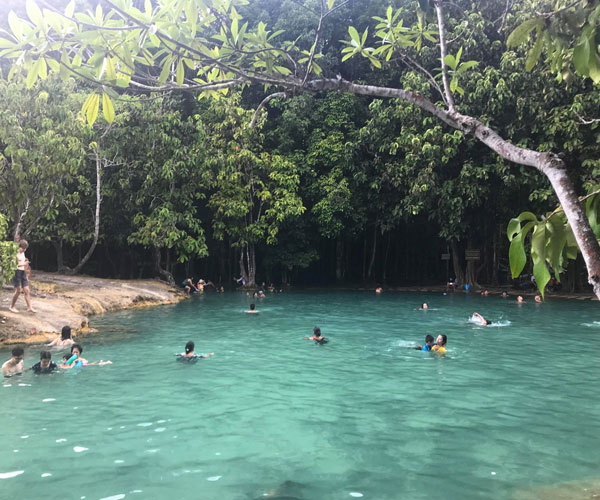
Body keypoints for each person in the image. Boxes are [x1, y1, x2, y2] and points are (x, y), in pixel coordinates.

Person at [9, 239, 36, 313]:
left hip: (22, 271)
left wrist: (25, 263)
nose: (24, 250)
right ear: (19, 247)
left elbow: (22, 262)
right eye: (23, 249)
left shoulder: (23, 253)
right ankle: (12, 306)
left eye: (25, 249)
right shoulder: (15, 253)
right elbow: (13, 265)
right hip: (16, 271)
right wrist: (23, 264)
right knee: (18, 290)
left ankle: (29, 307)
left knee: (27, 290)